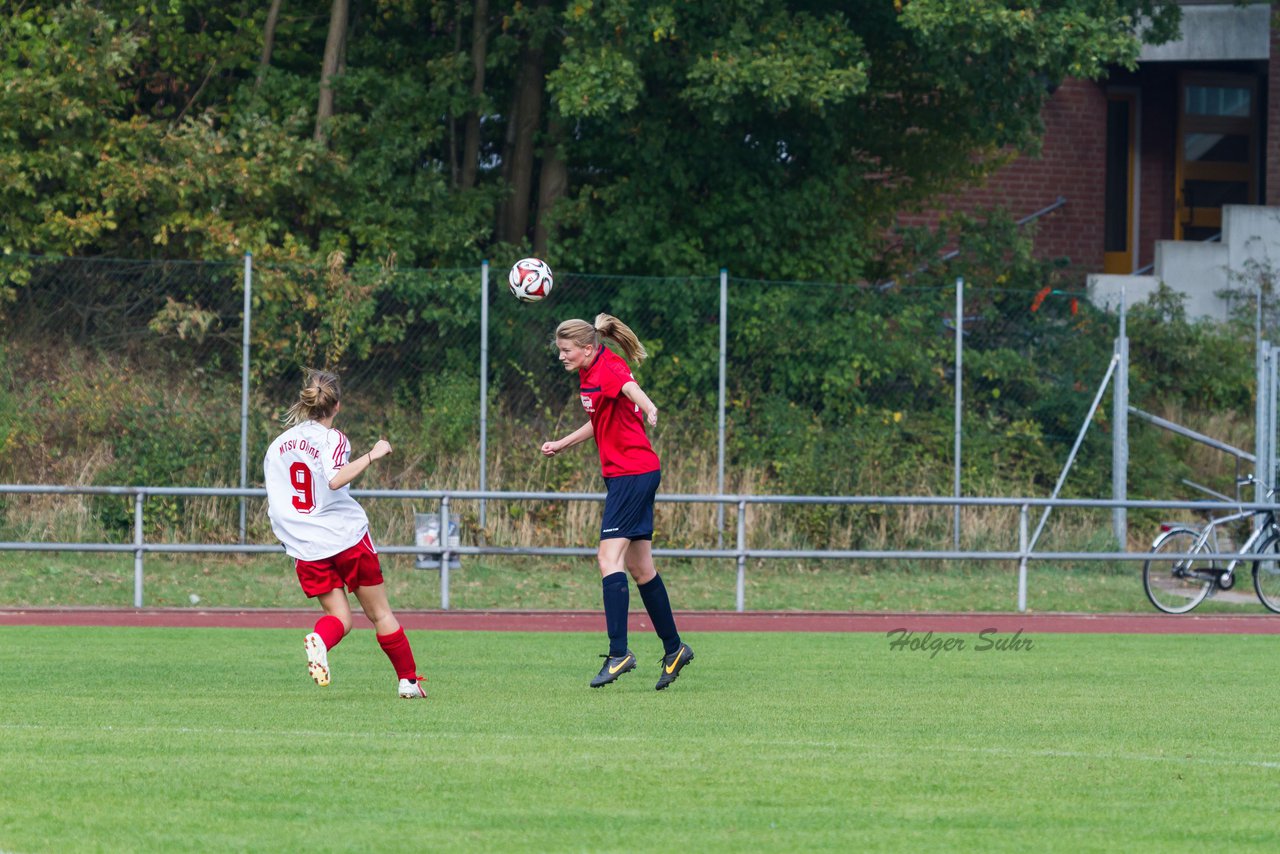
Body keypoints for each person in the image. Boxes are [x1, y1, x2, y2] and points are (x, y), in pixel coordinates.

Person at [541, 314, 694, 690]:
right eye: (560, 350)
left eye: (566, 350)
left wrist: (650, 406)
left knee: (607, 559)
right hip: (631, 474)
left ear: (588, 349)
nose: (562, 356)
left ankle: (619, 653)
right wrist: (562, 443)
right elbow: (602, 419)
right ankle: (674, 649)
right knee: (641, 569)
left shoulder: (608, 367)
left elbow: (628, 388)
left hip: (631, 475)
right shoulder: (590, 372)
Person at [263, 368, 426, 699]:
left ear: (305, 401)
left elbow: (278, 502)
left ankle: (320, 640)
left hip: (306, 547)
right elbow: (335, 479)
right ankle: (408, 681)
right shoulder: (333, 438)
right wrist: (373, 454)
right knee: (380, 613)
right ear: (336, 405)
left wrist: (291, 538)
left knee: (339, 618)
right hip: (345, 538)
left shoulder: (278, 446)